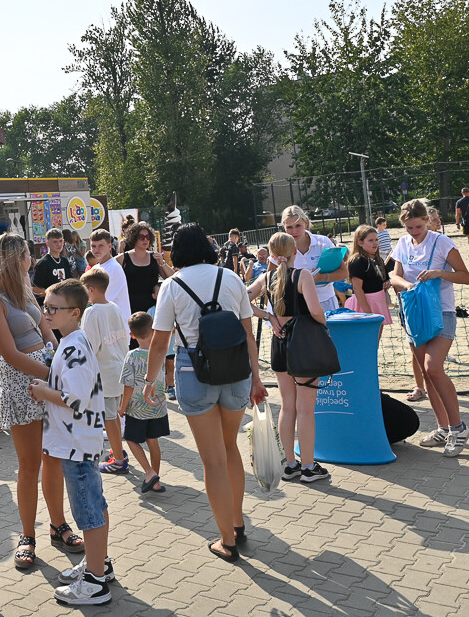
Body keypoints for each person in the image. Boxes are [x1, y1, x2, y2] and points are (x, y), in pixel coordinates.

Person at [146, 223, 267, 562]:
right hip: (236, 370)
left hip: (193, 370)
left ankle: (226, 541)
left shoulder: (171, 285)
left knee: (211, 460)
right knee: (230, 448)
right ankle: (238, 522)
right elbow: (248, 335)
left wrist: (150, 380)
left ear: (177, 251)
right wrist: (257, 379)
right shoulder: (231, 278)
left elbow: (159, 342)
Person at [0, 232, 83, 568]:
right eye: (28, 254)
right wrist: (50, 372)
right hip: (22, 383)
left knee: (54, 458)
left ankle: (58, 525)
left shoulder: (24, 289)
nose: (32, 260)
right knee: (29, 465)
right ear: (16, 257)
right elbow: (8, 353)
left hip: (47, 375)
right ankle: (28, 536)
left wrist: (59, 360)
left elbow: (47, 329)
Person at [30, 279, 114, 606]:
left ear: (75, 313)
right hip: (78, 441)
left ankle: (94, 582)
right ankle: (98, 564)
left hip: (76, 444)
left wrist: (43, 392)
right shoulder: (72, 341)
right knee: (93, 506)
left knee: (88, 511)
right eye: (45, 306)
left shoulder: (74, 347)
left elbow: (76, 399)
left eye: (53, 308)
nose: (46, 312)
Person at [391, 198, 469, 456]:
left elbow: (465, 277)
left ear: (427, 220)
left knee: (433, 367)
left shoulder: (442, 242)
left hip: (442, 312)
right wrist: (406, 285)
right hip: (414, 311)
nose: (413, 232)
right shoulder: (403, 243)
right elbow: (394, 275)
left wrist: (439, 273)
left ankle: (458, 427)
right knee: (427, 374)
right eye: (409, 228)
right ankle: (442, 427)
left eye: (417, 227)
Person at [249, 232, 332, 484]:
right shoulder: (303, 275)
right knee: (306, 409)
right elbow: (316, 310)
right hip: (303, 342)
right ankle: (308, 466)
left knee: (287, 405)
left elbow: (240, 298)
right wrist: (323, 325)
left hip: (280, 342)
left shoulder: (266, 276)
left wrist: (268, 316)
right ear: (295, 250)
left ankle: (290, 464)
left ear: (272, 255)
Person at [77, 267, 131, 475]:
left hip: (104, 374)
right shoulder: (115, 308)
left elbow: (90, 346)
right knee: (114, 416)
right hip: (118, 368)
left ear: (90, 290)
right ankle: (118, 451)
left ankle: (118, 459)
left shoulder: (91, 312)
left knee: (109, 419)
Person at [121, 312, 170, 494]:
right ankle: (156, 480)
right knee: (153, 441)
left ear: (131, 335)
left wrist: (122, 406)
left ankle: (149, 472)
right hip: (157, 407)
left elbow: (128, 384)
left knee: (131, 439)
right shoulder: (160, 352)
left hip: (137, 409)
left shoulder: (132, 356)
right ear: (153, 331)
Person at [278, 206, 348, 314]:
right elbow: (271, 283)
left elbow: (344, 273)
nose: (294, 231)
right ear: (284, 226)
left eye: (298, 226)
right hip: (296, 307)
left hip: (326, 303)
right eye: (289, 227)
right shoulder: (280, 246)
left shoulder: (323, 242)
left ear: (306, 223)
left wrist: (321, 277)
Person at [116, 221, 175, 315]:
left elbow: (172, 278)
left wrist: (163, 263)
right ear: (134, 238)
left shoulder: (155, 257)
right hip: (130, 307)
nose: (145, 240)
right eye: (141, 237)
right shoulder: (122, 258)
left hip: (152, 308)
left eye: (148, 237)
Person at [344, 224, 393, 335]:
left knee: (376, 338)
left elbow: (383, 278)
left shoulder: (377, 258)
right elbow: (357, 288)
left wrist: (386, 283)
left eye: (376, 239)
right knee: (365, 339)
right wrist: (368, 313)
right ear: (360, 242)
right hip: (365, 303)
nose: (375, 243)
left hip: (378, 301)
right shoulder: (358, 260)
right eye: (371, 240)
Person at [89, 230, 131, 321]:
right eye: (93, 246)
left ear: (109, 246)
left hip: (117, 327)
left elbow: (98, 299)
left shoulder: (114, 268)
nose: (96, 250)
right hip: (104, 323)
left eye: (101, 246)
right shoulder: (95, 268)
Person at [32, 229, 73, 304]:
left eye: (61, 241)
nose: (59, 244)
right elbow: (35, 288)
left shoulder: (65, 261)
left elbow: (70, 282)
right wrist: (52, 295)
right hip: (49, 305)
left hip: (64, 303)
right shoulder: (43, 263)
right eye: (55, 242)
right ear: (47, 243)